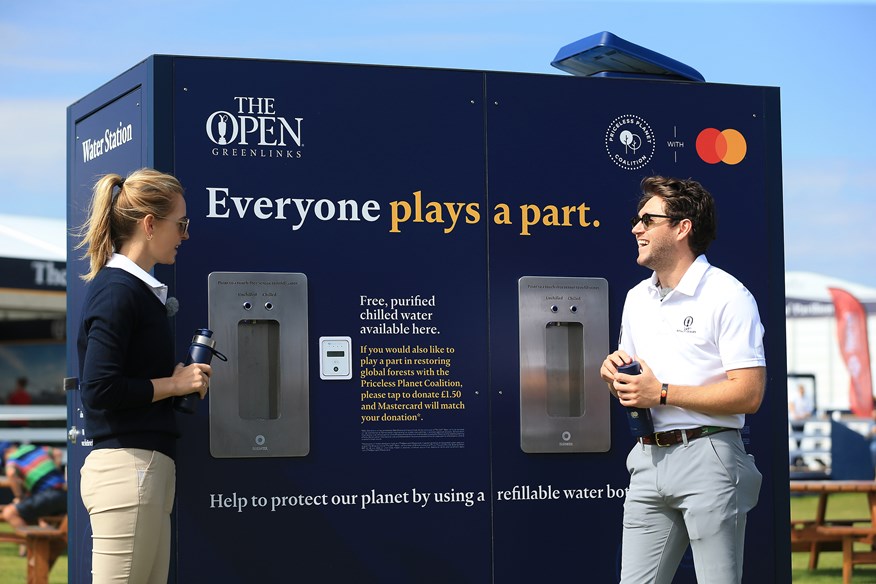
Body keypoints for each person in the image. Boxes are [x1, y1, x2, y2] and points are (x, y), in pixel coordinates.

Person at [600, 176, 766, 584]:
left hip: (709, 455)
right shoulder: (637, 297)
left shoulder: (729, 295)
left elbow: (750, 393)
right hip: (647, 461)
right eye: (637, 219)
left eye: (647, 219)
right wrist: (615, 375)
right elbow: (638, 385)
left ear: (682, 227)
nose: (635, 228)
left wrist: (663, 393)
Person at [75, 168, 211, 584]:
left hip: (140, 470)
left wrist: (170, 381)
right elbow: (98, 389)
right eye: (181, 224)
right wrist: (174, 385)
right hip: (129, 471)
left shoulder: (131, 290)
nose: (185, 235)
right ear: (150, 225)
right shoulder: (119, 290)